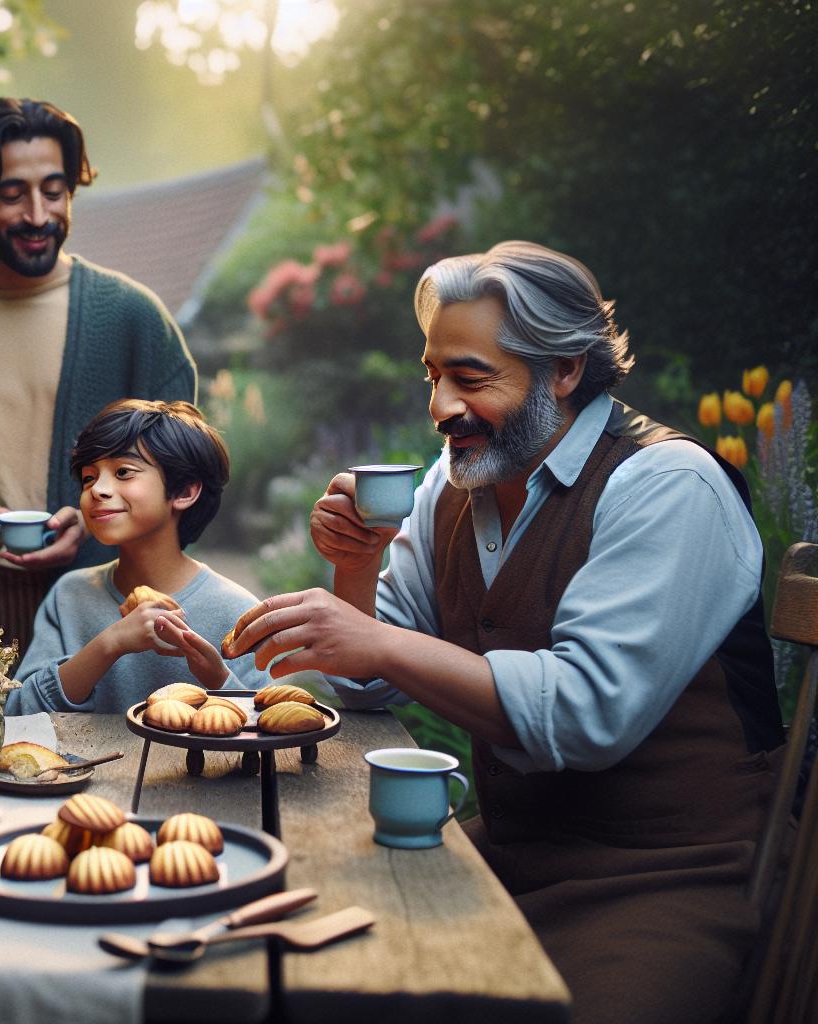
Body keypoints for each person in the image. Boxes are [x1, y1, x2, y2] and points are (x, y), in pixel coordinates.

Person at [225, 241, 783, 1023]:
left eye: (470, 377)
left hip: (668, 878)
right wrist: (356, 567)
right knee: (312, 978)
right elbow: (371, 680)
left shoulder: (666, 485)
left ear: (564, 369)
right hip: (508, 857)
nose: (441, 406)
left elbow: (583, 715)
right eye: (433, 375)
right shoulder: (454, 483)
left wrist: (378, 641)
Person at [0, 97, 197, 658]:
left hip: (107, 613)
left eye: (54, 190)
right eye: (12, 194)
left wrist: (100, 520)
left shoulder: (135, 322)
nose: (38, 215)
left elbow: (190, 483)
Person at [7, 399, 270, 713]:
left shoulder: (237, 611)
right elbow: (19, 713)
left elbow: (271, 731)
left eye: (123, 472)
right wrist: (110, 643)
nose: (98, 490)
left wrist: (217, 678)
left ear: (185, 491)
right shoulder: (69, 595)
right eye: (89, 477)